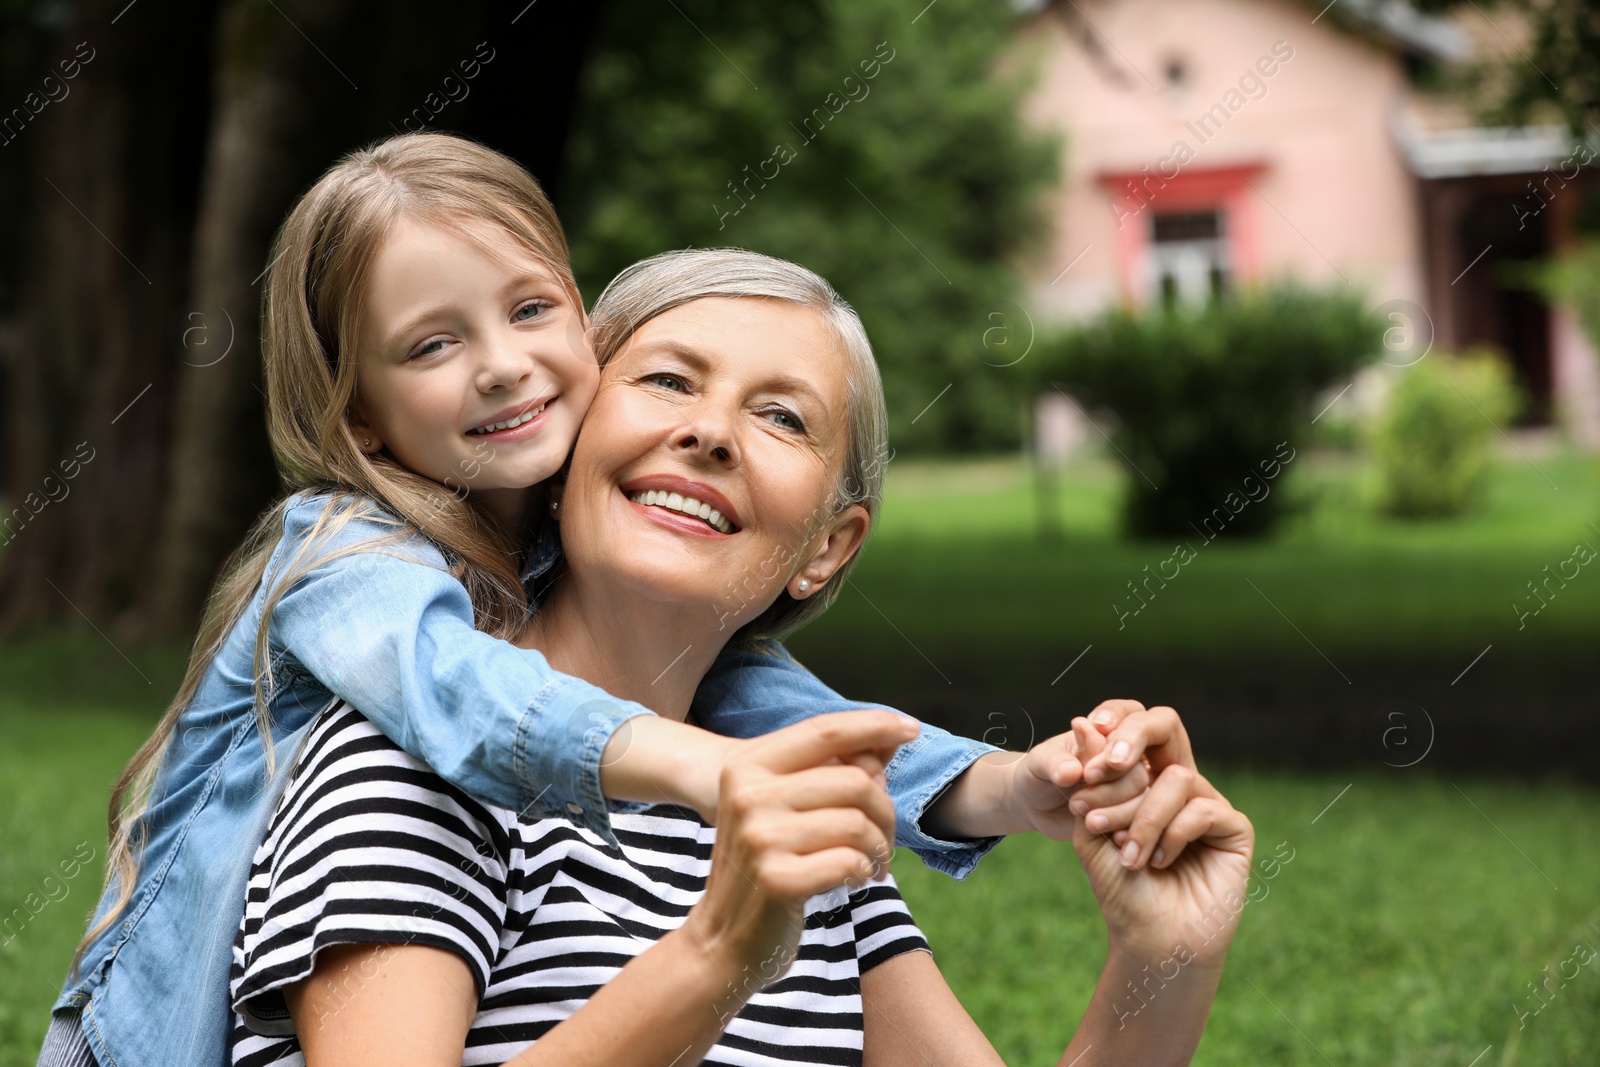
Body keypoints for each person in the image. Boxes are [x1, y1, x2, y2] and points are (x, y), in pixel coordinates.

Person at [41, 136, 1108, 1067]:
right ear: (359, 416)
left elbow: (784, 712)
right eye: (431, 342)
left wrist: (1009, 786)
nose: (504, 366)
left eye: (531, 309)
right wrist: (707, 782)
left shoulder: (601, 607)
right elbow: (460, 696)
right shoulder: (339, 559)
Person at [226, 249, 1253, 1065]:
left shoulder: (805, 811)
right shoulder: (420, 749)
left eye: (780, 416)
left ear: (825, 549)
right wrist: (715, 954)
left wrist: (1161, 956)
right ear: (563, 436)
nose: (711, 431)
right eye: (668, 379)